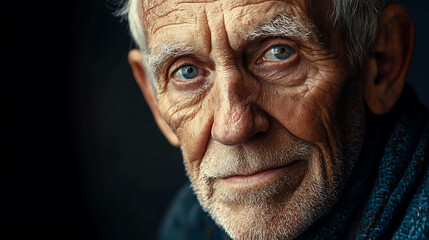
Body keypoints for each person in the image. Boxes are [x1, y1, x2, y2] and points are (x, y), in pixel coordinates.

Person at [118, 0, 429, 239]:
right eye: (187, 72)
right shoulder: (189, 223)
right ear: (155, 99)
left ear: (382, 63)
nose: (234, 127)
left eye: (280, 53)